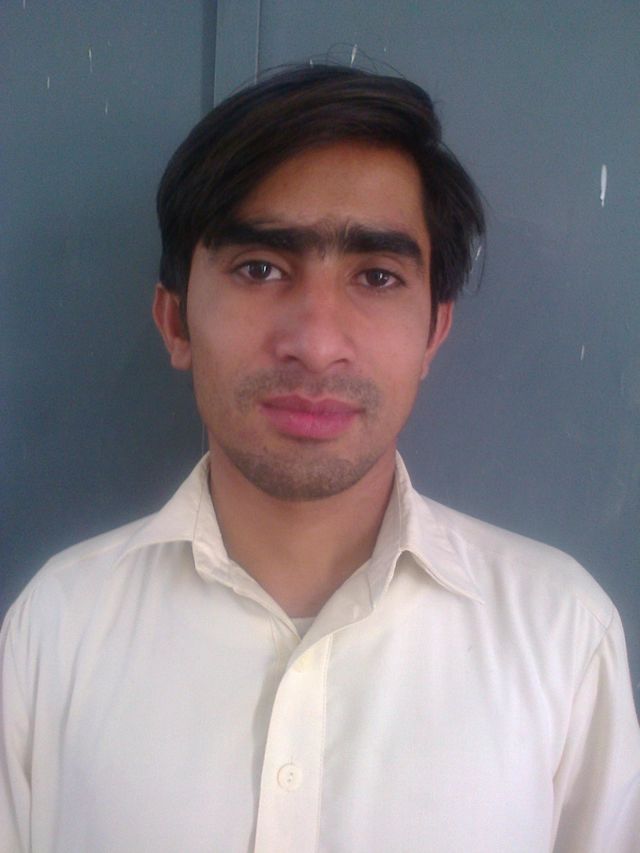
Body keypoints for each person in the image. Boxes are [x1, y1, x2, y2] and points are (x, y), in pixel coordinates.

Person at [1, 64, 638, 853]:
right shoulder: (54, 628)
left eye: (377, 276)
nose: (316, 342)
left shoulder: (562, 633)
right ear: (176, 322)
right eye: (260, 268)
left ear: (433, 334)